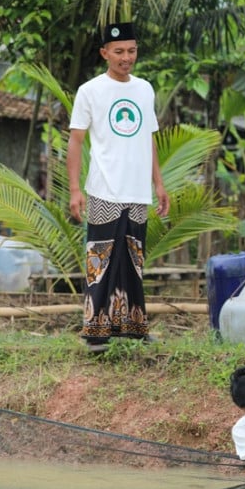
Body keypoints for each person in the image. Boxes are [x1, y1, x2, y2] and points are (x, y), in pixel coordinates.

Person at [67, 22, 170, 353]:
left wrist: (159, 183)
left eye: (132, 51)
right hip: (103, 190)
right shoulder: (90, 91)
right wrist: (74, 189)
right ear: (104, 53)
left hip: (137, 192)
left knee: (133, 261)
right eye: (119, 52)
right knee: (101, 261)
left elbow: (148, 139)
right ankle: (95, 333)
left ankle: (134, 328)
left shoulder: (144, 89)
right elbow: (75, 140)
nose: (127, 58)